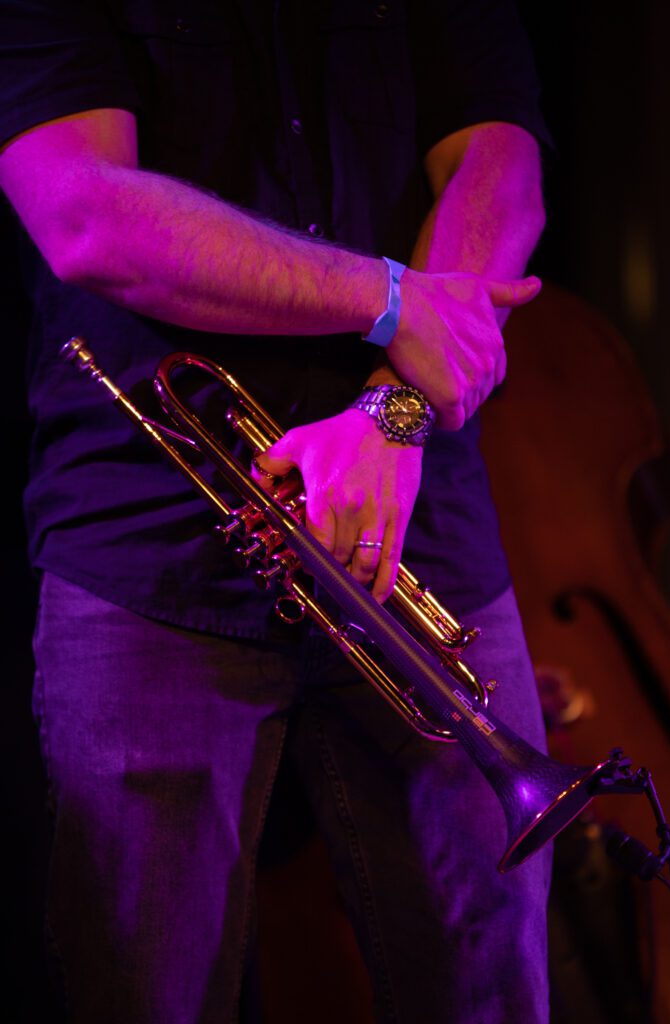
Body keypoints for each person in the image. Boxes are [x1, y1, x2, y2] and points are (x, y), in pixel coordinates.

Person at [0, 1, 554, 1021]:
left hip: (415, 525)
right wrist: (388, 298)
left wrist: (393, 411)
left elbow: (499, 160)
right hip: (151, 546)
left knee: (491, 990)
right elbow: (81, 211)